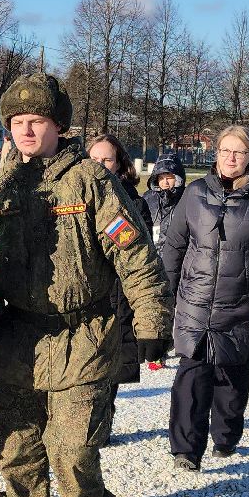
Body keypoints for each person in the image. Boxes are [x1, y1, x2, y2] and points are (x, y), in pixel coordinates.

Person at [0, 73, 171, 497]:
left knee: (73, 448)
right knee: (17, 449)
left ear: (58, 126)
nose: (26, 131)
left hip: (83, 338)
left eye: (36, 122)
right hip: (18, 340)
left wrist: (152, 322)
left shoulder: (90, 180)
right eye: (17, 123)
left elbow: (132, 253)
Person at [158, 125, 249, 470]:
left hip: (240, 302)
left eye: (239, 152)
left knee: (231, 377)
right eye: (225, 150)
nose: (231, 158)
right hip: (194, 300)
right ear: (216, 153)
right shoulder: (196, 192)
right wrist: (163, 294)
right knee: (191, 373)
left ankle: (226, 436)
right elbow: (175, 244)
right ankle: (186, 448)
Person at [86, 132, 148, 383]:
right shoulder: (72, 199)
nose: (99, 166)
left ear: (120, 164)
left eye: (107, 160)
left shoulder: (133, 204)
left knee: (108, 383)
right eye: (94, 159)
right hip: (83, 303)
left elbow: (140, 262)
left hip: (117, 303)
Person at [142, 155, 186, 234]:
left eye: (169, 178)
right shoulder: (148, 198)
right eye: (161, 178)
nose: (165, 182)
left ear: (178, 178)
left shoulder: (187, 198)